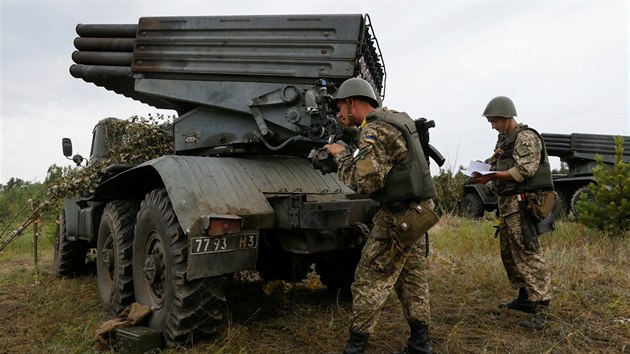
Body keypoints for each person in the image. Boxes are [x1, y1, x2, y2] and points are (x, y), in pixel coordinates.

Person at [323, 77, 438, 354]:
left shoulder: (374, 131)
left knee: (369, 280)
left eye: (340, 108)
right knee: (412, 280)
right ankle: (420, 344)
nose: (339, 115)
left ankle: (355, 347)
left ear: (352, 102)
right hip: (417, 215)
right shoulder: (392, 120)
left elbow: (365, 183)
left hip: (396, 218)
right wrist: (352, 140)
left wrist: (339, 155)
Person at [472, 96, 554, 330]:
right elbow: (497, 161)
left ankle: (543, 307)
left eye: (495, 120)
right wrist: (482, 167)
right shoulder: (505, 139)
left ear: (507, 117)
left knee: (528, 253)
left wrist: (494, 176)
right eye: (491, 121)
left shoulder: (525, 137)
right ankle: (525, 298)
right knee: (510, 253)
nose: (493, 125)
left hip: (523, 204)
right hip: (508, 206)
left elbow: (525, 170)